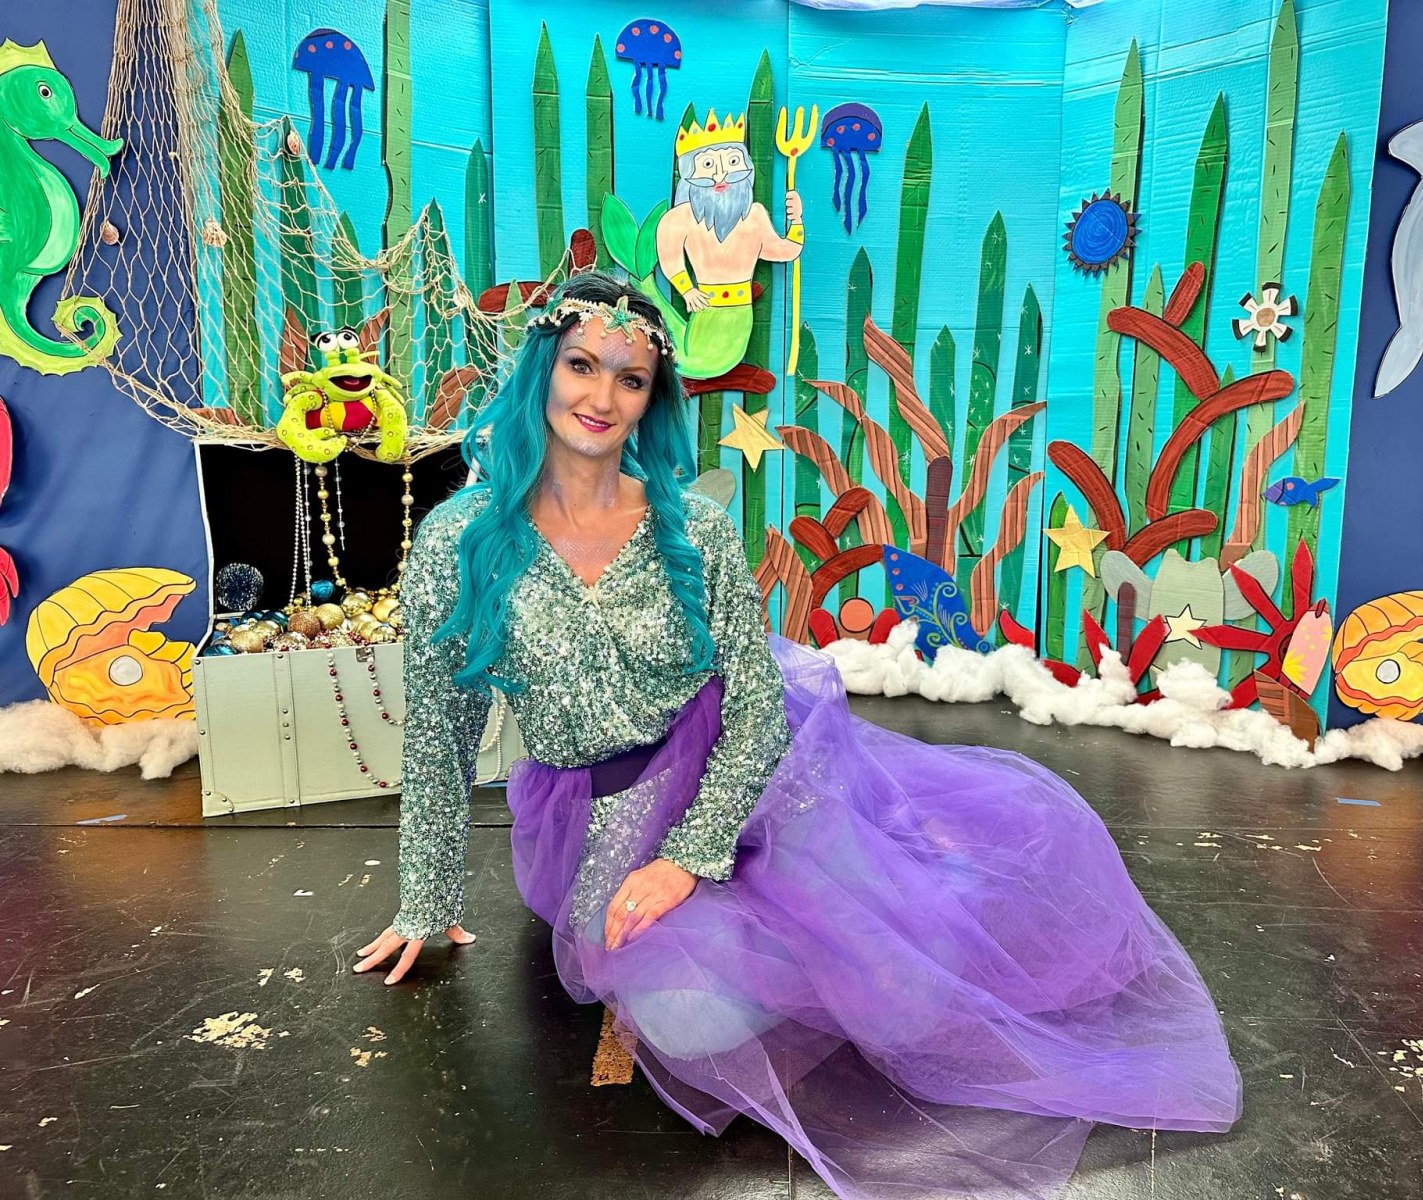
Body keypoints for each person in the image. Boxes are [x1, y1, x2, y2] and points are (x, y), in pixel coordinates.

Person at [354, 272, 1242, 1200]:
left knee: (908, 1000)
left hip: (750, 778)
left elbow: (752, 708)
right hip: (597, 814)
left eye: (631, 377)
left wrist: (688, 859)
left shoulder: (694, 528)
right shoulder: (459, 540)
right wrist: (426, 901)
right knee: (690, 1019)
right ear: (543, 366)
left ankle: (882, 881)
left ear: (653, 398)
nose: (601, 396)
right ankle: (779, 927)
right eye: (582, 365)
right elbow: (440, 731)